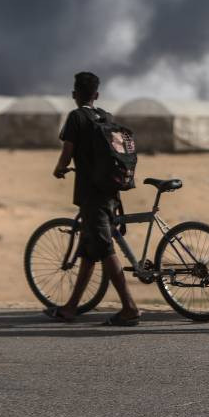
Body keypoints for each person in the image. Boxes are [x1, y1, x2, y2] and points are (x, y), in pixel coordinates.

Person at [47, 72, 140, 326]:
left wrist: (59, 168)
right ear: (96, 95)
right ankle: (70, 308)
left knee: (104, 247)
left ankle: (129, 307)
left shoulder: (76, 117)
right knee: (89, 251)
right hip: (111, 190)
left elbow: (68, 149)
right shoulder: (106, 117)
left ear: (74, 94)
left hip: (92, 193)